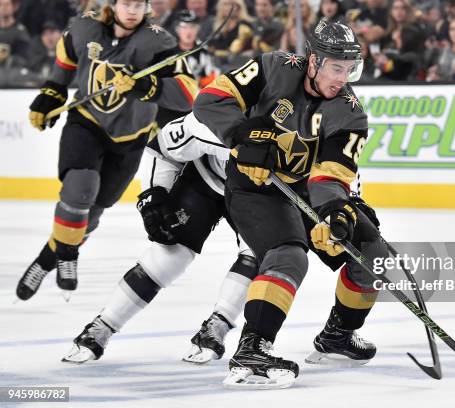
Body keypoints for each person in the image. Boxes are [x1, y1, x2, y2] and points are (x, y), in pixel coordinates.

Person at [193, 19, 387, 389]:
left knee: (372, 255)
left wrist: (336, 213)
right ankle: (253, 348)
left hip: (305, 192)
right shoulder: (273, 68)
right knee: (288, 255)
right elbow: (210, 99)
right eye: (335, 68)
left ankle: (337, 336)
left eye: (348, 69)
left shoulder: (350, 113)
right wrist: (242, 135)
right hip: (255, 188)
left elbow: (330, 176)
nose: (342, 79)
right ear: (313, 61)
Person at [15, 0, 197, 302]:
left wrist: (148, 87)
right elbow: (65, 62)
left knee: (93, 214)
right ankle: (69, 254)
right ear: (112, 4)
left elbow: (189, 93)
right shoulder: (84, 28)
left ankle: (46, 259)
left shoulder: (158, 41)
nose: (132, 10)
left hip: (132, 137)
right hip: (86, 123)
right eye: (126, 3)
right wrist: (51, 93)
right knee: (80, 190)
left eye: (140, 4)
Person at [62, 112, 259, 364]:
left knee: (257, 252)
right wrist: (154, 195)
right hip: (205, 179)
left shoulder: (304, 123)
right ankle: (102, 326)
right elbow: (162, 146)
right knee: (169, 254)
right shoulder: (215, 117)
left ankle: (218, 325)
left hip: (256, 193)